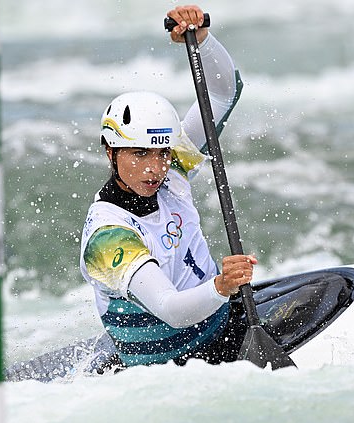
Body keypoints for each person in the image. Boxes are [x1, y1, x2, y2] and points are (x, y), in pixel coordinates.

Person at [79, 5, 254, 369]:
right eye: (139, 153)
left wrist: (202, 39)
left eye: (161, 153)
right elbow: (171, 310)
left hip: (223, 326)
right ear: (110, 151)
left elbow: (223, 94)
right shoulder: (107, 236)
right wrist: (222, 286)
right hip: (170, 367)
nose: (154, 168)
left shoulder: (173, 169)